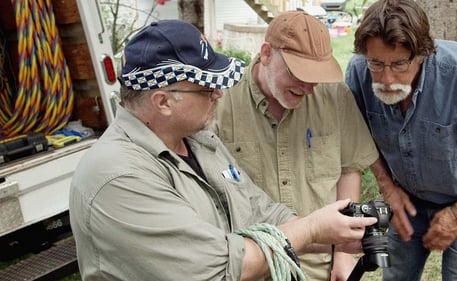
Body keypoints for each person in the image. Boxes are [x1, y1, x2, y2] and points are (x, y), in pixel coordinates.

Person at [68, 19, 378, 281]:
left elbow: (259, 210)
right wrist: (311, 230)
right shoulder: (118, 176)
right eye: (206, 88)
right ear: (162, 102)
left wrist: (338, 235)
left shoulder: (200, 142)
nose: (219, 93)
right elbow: (218, 267)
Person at [215, 11, 379, 281]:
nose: (308, 87)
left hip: (319, 266)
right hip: (253, 265)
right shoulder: (222, 104)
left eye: (316, 76)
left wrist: (342, 254)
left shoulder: (334, 97)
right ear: (266, 54)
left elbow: (349, 170)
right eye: (298, 73)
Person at [344, 0, 457, 280]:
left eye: (399, 63)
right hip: (405, 198)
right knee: (396, 276)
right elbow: (358, 136)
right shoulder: (358, 71)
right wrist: (387, 187)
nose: (387, 79)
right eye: (376, 63)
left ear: (422, 54)